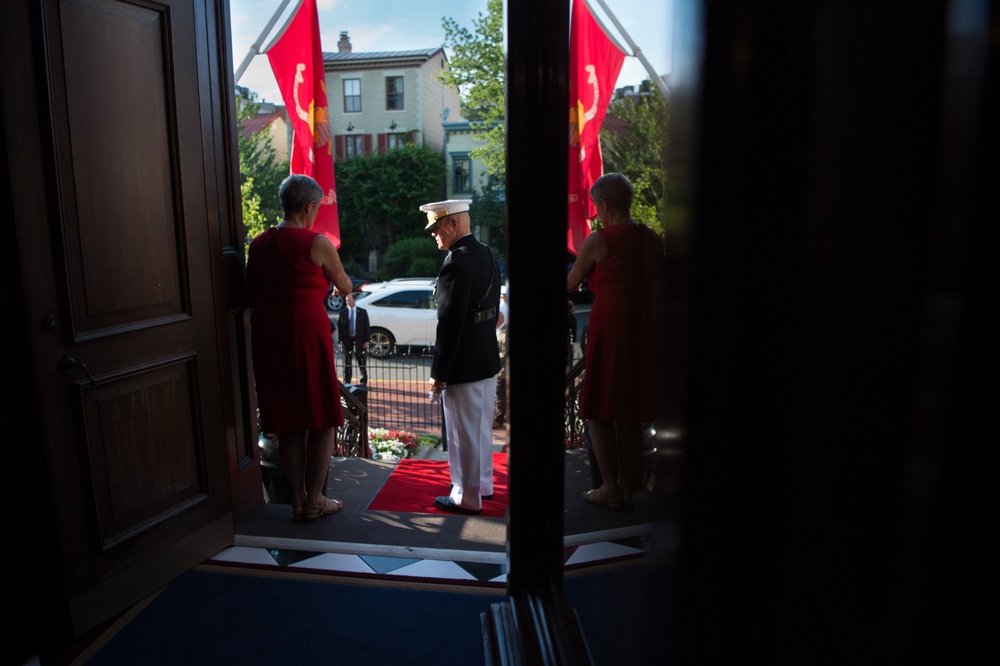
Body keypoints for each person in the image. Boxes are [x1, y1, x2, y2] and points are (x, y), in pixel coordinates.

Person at [246, 174, 355, 523]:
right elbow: (344, 283)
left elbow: (251, 293)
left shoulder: (259, 243)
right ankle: (315, 499)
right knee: (322, 418)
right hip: (306, 334)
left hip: (269, 336)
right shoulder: (317, 243)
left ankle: (297, 500)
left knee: (290, 420)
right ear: (309, 207)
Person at [567, 173, 665, 509]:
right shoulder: (653, 239)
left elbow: (570, 281)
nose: (595, 211)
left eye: (596, 205)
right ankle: (626, 488)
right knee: (630, 412)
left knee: (599, 411)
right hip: (644, 331)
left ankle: (609, 488)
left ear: (605, 204)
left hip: (611, 330)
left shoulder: (599, 240)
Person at [423, 198, 501, 515]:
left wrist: (439, 373)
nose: (433, 234)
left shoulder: (456, 262)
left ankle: (466, 497)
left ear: (453, 224)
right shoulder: (485, 253)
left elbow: (450, 325)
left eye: (436, 227)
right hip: (486, 358)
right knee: (480, 428)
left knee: (461, 433)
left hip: (464, 363)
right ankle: (482, 484)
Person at [337, 292, 370, 385]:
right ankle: (347, 382)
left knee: (361, 362)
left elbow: (366, 327)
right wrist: (340, 341)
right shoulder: (342, 312)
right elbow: (340, 328)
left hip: (359, 340)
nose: (347, 302)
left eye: (349, 300)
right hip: (347, 340)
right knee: (347, 363)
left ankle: (363, 381)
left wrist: (366, 340)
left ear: (354, 300)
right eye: (346, 300)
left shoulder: (362, 312)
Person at [493, 285, 509, 428]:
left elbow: (503, 354)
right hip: (500, 370)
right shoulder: (499, 331)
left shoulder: (502, 334)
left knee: (500, 397)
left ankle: (499, 420)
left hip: (502, 372)